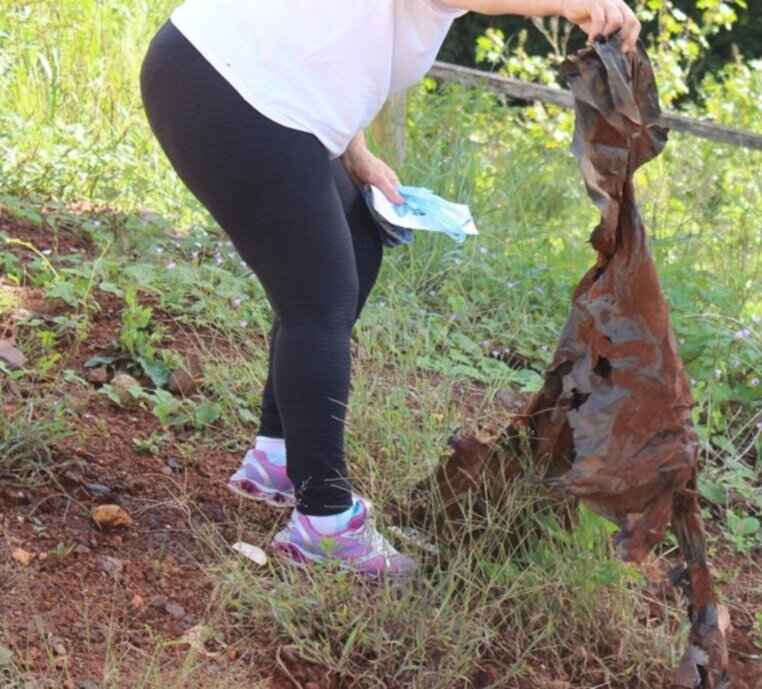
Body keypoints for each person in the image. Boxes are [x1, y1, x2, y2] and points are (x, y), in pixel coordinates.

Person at [139, 0, 640, 579]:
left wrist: (356, 152)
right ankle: (324, 523)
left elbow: (335, 41)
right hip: (229, 87)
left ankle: (279, 453)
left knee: (356, 236)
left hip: (264, 90)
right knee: (318, 300)